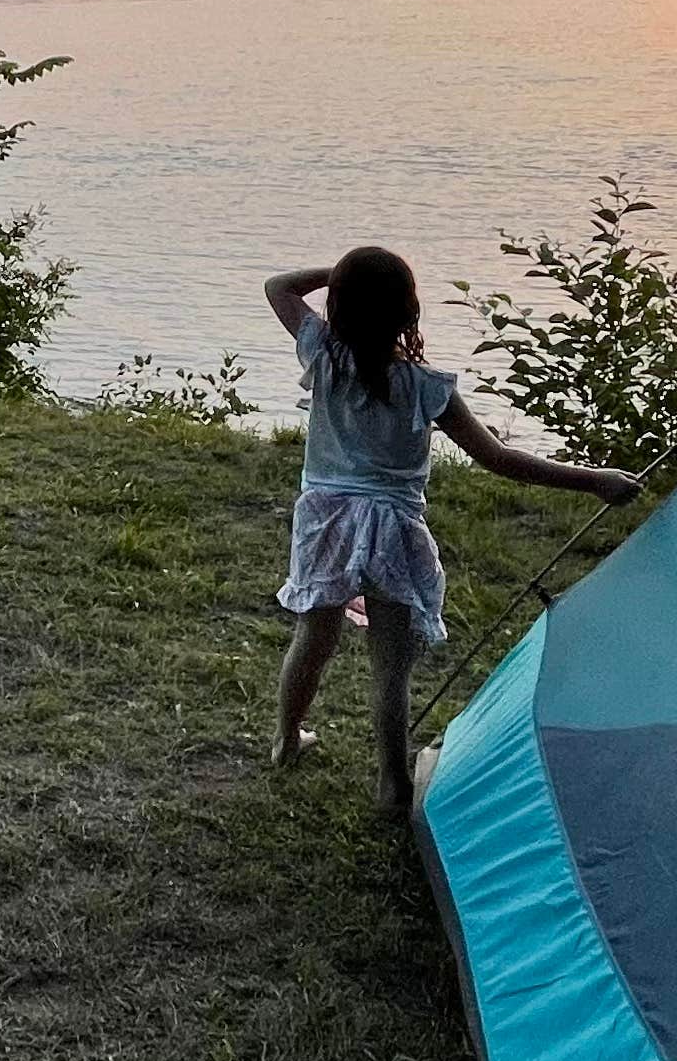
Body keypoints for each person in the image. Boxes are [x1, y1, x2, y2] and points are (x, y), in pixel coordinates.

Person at [264, 246, 639, 819]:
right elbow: (500, 457)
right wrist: (595, 482)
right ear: (408, 314)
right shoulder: (423, 386)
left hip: (328, 522)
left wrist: (333, 274)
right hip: (394, 529)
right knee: (391, 666)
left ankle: (287, 741)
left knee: (313, 637)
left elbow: (278, 286)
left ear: (335, 306)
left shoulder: (323, 354)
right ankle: (392, 785)